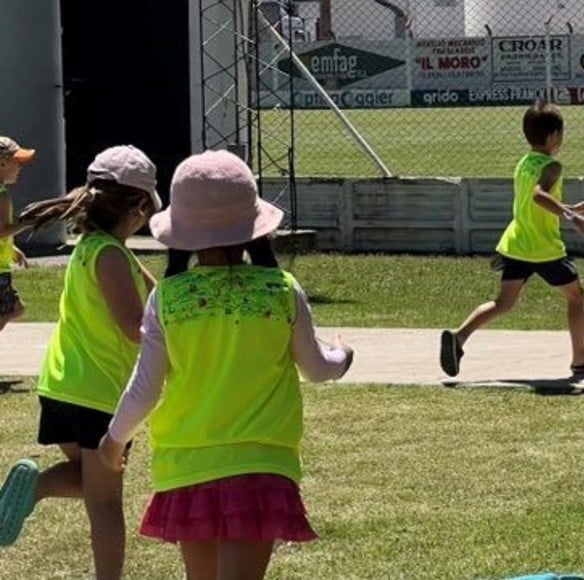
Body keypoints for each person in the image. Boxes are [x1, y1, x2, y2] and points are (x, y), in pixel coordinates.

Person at [97, 150, 353, 580]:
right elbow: (318, 368)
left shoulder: (168, 298)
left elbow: (145, 387)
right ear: (254, 227)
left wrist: (113, 439)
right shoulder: (281, 289)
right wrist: (342, 357)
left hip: (187, 463)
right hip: (261, 463)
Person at [0, 145, 161, 580]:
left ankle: (36, 485)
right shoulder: (110, 255)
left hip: (63, 388)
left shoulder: (93, 247)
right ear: (139, 206)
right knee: (106, 501)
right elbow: (135, 327)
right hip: (99, 392)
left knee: (92, 481)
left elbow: (158, 296)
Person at [439, 101, 584, 378]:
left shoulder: (524, 162)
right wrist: (571, 217)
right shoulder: (553, 166)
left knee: (503, 303)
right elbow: (538, 196)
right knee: (576, 297)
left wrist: (570, 207)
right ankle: (580, 358)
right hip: (542, 248)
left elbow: (538, 199)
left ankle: (458, 338)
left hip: (518, 244)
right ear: (555, 137)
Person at [0, 136, 36, 331]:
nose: (20, 167)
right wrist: (27, 223)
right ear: (2, 162)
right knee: (14, 310)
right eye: (17, 162)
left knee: (15, 309)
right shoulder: (2, 195)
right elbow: (2, 230)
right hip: (0, 270)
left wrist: (12, 247)